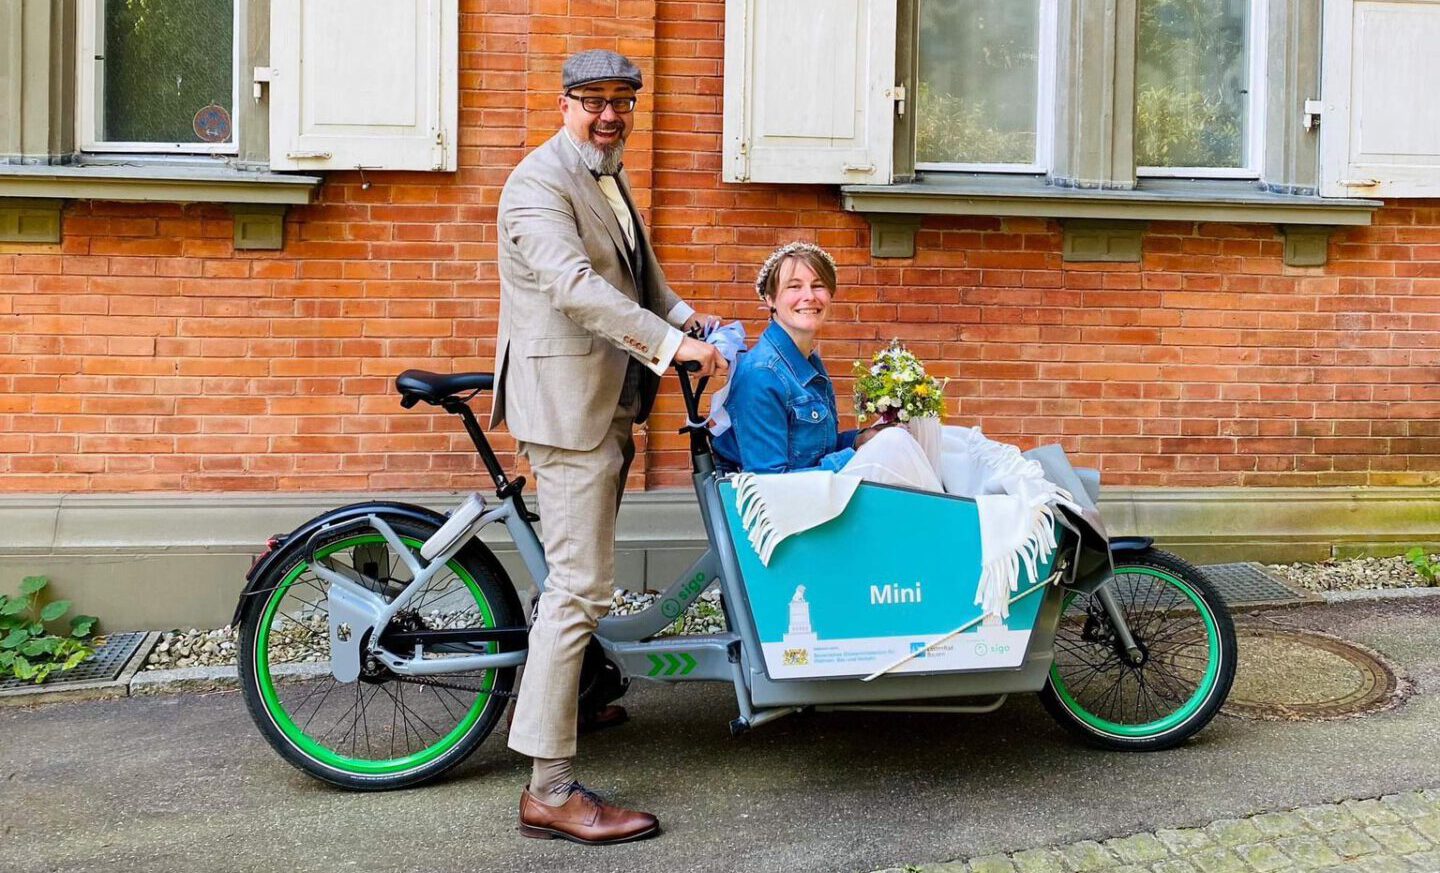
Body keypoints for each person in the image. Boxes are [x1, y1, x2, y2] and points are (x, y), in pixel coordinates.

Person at [491, 49, 726, 845]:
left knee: (575, 573)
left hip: (605, 401)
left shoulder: (605, 173)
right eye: (592, 100)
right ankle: (549, 788)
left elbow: (632, 270)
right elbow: (574, 286)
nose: (608, 114)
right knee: (581, 588)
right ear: (563, 104)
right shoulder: (537, 185)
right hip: (566, 409)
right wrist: (667, 344)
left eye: (621, 102)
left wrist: (684, 317)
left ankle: (580, 691)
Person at [713, 241, 940, 491]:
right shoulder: (762, 375)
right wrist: (861, 457)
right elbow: (771, 486)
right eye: (794, 286)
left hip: (818, 496)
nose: (809, 296)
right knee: (895, 445)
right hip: (794, 514)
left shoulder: (808, 361)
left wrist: (860, 440)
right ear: (770, 299)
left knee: (924, 435)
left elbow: (818, 449)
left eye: (818, 285)